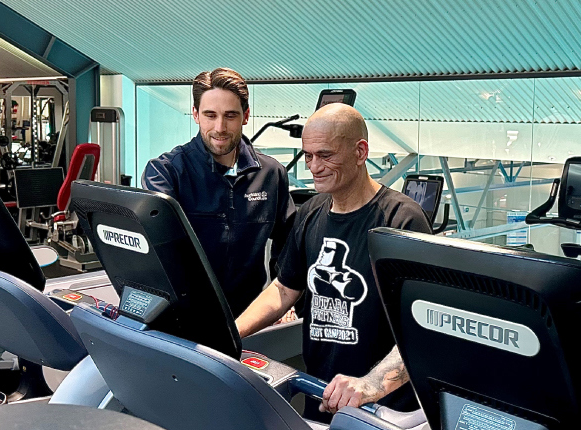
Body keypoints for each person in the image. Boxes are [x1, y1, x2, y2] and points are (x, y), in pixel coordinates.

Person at [236, 103, 432, 422]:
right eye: (309, 156)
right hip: (323, 395)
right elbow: (284, 289)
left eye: (326, 155)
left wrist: (370, 386)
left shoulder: (402, 221)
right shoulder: (311, 212)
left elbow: (424, 330)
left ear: (360, 151)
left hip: (381, 408)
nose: (314, 166)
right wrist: (231, 332)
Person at [142, 68, 295, 316]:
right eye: (210, 115)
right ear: (195, 114)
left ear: (246, 116)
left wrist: (283, 302)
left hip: (251, 319)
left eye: (230, 116)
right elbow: (161, 258)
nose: (220, 127)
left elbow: (288, 249)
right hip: (185, 319)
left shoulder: (272, 175)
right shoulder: (165, 173)